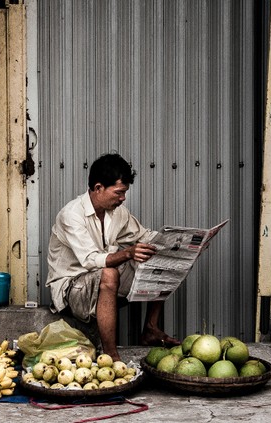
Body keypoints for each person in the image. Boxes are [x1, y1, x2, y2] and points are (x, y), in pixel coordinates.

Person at [45, 153, 180, 361]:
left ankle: (151, 329)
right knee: (109, 273)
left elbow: (145, 236)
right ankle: (111, 355)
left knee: (156, 256)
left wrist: (179, 243)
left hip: (100, 283)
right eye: (119, 192)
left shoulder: (118, 212)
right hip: (71, 290)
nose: (123, 198)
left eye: (125, 192)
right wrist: (127, 252)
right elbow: (91, 260)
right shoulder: (71, 214)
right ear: (98, 188)